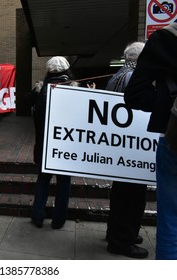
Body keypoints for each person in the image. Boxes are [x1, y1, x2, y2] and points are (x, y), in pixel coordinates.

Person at [125, 21, 177, 260]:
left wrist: (165, 109)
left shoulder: (166, 38)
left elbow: (135, 94)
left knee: (171, 220)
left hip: (175, 140)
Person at [104, 42, 148, 259]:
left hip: (120, 146)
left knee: (121, 194)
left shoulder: (118, 76)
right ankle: (123, 240)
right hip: (132, 147)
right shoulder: (135, 78)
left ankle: (118, 233)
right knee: (132, 196)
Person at [28, 56, 75, 229]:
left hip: (44, 145)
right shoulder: (74, 89)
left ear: (49, 70)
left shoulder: (40, 89)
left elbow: (27, 102)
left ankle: (38, 216)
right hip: (65, 145)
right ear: (66, 70)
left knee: (43, 180)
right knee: (64, 183)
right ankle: (58, 220)